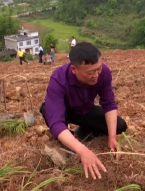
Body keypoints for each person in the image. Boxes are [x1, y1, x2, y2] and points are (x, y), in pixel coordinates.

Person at [40, 42, 127, 180]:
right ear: (74, 69)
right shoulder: (58, 78)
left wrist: (112, 138)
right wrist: (83, 150)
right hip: (65, 112)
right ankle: (67, 141)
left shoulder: (104, 72)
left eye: (98, 69)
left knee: (120, 125)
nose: (96, 75)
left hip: (85, 111)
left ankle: (82, 132)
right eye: (90, 72)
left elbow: (109, 104)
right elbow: (56, 122)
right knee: (48, 111)